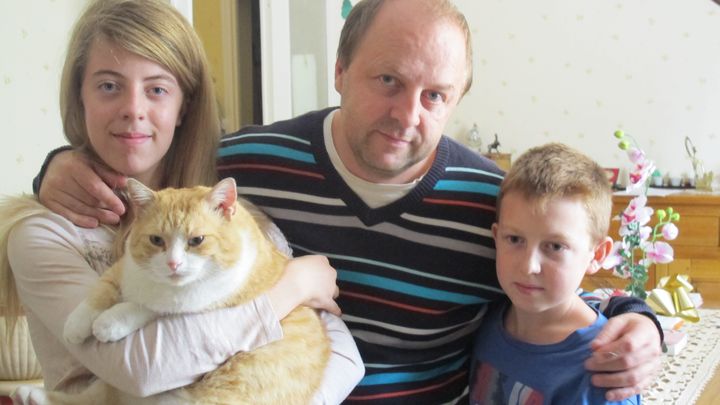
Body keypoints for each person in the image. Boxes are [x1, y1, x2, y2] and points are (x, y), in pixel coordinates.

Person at [33, 0, 662, 403]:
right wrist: (56, 166)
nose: (406, 115)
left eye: (435, 95)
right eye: (387, 80)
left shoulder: (486, 201)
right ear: (340, 70)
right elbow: (151, 180)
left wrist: (640, 318)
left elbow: (548, 277)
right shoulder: (243, 166)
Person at [0, 0, 363, 404]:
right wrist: (289, 290)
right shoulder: (41, 234)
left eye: (156, 89)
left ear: (183, 105)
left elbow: (346, 359)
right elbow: (140, 369)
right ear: (79, 96)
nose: (133, 110)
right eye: (108, 86)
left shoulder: (232, 218)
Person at [470, 143, 641, 404]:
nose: (529, 266)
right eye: (515, 239)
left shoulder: (606, 367)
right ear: (496, 237)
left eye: (555, 246)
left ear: (597, 255)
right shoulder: (488, 316)